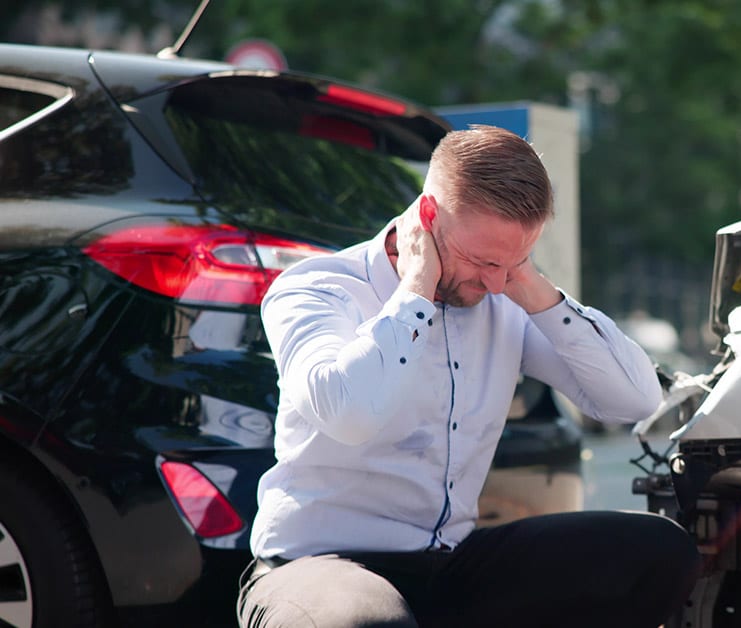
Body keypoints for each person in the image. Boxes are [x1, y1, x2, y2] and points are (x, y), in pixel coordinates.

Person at [237, 125, 700, 628]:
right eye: (483, 261)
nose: (496, 282)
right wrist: (416, 290)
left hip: (452, 563)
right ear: (428, 216)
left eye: (515, 259)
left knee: (656, 551)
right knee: (367, 623)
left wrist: (533, 286)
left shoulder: (503, 294)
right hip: (318, 568)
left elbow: (632, 400)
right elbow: (350, 415)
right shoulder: (316, 288)